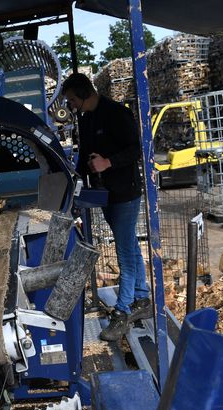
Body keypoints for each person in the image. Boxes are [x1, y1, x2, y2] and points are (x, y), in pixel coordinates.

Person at [62, 72, 151, 341]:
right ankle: (142, 298)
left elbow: (136, 149)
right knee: (130, 244)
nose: (71, 106)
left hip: (125, 192)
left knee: (124, 251)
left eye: (72, 100)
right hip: (105, 194)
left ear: (85, 94)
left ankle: (123, 311)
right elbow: (84, 154)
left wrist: (107, 163)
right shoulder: (86, 119)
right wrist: (73, 180)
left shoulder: (116, 113)